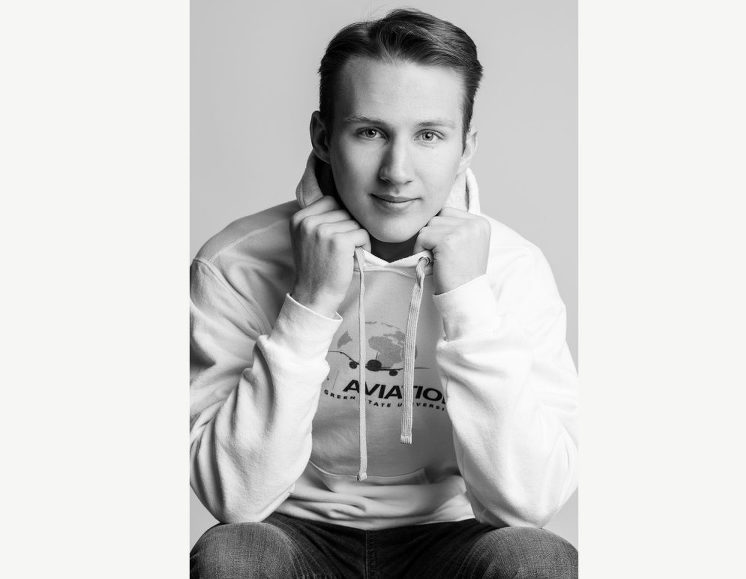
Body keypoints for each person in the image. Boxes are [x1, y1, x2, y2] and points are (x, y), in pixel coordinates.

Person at [190, 8, 578, 578]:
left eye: (429, 135)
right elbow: (234, 501)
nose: (397, 171)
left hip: (452, 535)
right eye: (370, 132)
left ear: (465, 147)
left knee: (537, 559)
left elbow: (528, 504)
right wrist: (308, 304)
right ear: (324, 137)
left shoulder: (512, 268)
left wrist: (467, 299)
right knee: (235, 555)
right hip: (295, 534)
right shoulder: (236, 262)